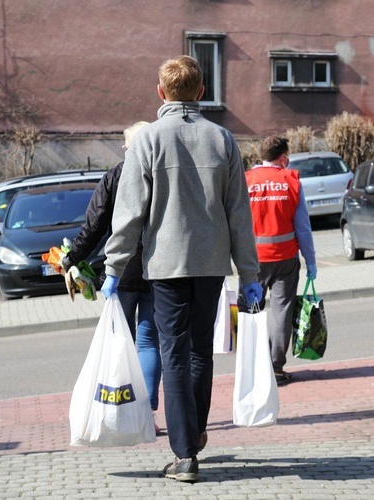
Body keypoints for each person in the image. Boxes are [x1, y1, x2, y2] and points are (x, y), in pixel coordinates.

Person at [101, 55, 262, 483]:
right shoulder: (223, 139)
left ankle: (185, 455)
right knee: (199, 352)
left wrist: (113, 268)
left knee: (173, 354)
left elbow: (129, 213)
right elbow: (239, 214)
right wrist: (250, 275)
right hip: (211, 265)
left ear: (161, 92)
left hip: (167, 265)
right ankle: (197, 431)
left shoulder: (148, 141)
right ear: (201, 93)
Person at [61, 121, 163, 435]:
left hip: (121, 270)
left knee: (122, 341)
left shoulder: (116, 176)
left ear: (129, 147)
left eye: (125, 143)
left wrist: (71, 259)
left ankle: (121, 413)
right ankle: (147, 413)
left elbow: (93, 226)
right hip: (158, 267)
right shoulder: (163, 174)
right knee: (149, 343)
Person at [241, 135, 317, 386]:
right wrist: (311, 261)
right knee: (282, 313)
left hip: (252, 261)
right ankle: (275, 367)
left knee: (251, 312)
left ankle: (252, 366)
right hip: (285, 259)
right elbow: (303, 227)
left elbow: (235, 221)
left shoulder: (245, 180)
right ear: (282, 157)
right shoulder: (291, 180)